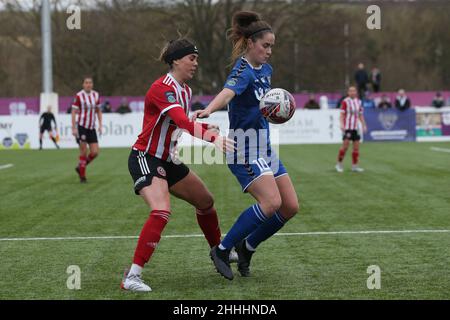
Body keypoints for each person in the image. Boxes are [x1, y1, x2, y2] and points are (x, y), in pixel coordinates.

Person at [120, 38, 235, 292]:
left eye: (196, 59)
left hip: (168, 159)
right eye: (191, 59)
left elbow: (177, 124)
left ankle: (219, 251)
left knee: (206, 202)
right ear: (176, 60)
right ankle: (132, 277)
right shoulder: (163, 87)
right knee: (161, 210)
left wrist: (206, 127)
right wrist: (213, 137)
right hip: (145, 157)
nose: (195, 64)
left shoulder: (185, 90)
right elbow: (182, 122)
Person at [193, 11, 299, 280]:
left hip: (263, 146)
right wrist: (209, 109)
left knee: (289, 207)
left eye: (272, 46)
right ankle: (222, 249)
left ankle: (247, 247)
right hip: (243, 148)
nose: (269, 51)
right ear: (251, 43)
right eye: (266, 45)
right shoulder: (242, 70)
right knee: (271, 202)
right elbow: (228, 94)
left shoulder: (267, 69)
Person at [71, 76, 102, 183]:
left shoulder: (95, 95)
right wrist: (74, 127)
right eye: (86, 82)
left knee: (95, 152)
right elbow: (74, 112)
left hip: (91, 127)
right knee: (83, 151)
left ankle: (80, 167)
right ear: (83, 84)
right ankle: (82, 177)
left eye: (90, 82)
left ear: (92, 84)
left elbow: (98, 110)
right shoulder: (79, 96)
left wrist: (100, 124)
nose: (88, 84)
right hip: (82, 126)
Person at [335, 86, 367, 173]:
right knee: (345, 147)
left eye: (354, 91)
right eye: (351, 91)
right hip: (348, 128)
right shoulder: (345, 101)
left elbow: (360, 115)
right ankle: (339, 164)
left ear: (356, 92)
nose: (352, 92)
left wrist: (364, 125)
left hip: (355, 128)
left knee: (356, 148)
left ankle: (355, 166)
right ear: (348, 92)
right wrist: (342, 124)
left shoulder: (359, 102)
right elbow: (342, 115)